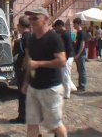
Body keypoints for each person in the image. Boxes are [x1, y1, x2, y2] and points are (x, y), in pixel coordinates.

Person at [22, 7, 67, 137]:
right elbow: (30, 62)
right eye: (30, 18)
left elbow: (62, 61)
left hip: (51, 88)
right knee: (32, 123)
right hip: (33, 88)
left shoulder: (54, 38)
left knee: (55, 125)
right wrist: (26, 82)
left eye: (35, 18)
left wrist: (39, 64)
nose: (31, 20)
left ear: (46, 19)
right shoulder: (31, 39)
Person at [9, 16, 31, 124]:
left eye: (18, 25)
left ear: (21, 26)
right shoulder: (26, 36)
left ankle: (23, 117)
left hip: (24, 70)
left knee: (23, 94)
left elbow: (28, 54)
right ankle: (24, 115)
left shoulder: (27, 37)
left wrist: (22, 67)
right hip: (26, 70)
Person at [53, 19, 76, 99]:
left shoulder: (65, 34)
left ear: (60, 26)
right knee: (66, 73)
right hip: (68, 56)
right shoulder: (63, 34)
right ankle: (71, 87)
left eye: (56, 27)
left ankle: (67, 93)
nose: (55, 29)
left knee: (65, 74)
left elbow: (69, 47)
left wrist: (65, 59)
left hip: (68, 57)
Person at [73, 18, 87, 92]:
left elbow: (82, 45)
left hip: (81, 55)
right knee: (79, 70)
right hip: (78, 54)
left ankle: (83, 85)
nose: (73, 26)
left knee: (82, 70)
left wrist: (78, 54)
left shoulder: (81, 33)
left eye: (74, 24)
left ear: (78, 24)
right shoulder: (78, 32)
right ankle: (80, 84)